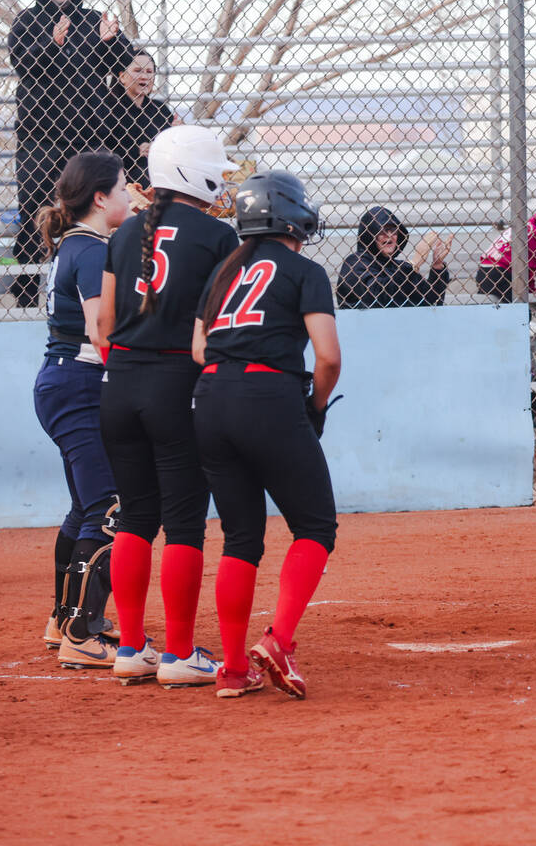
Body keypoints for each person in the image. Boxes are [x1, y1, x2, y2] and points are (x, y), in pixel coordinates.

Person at [97, 125, 238, 689]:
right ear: (193, 173)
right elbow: (223, 324)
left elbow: (104, 325)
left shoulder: (125, 233)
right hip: (177, 383)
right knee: (183, 522)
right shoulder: (217, 237)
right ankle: (180, 653)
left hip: (119, 383)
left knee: (134, 516)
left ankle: (131, 647)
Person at [192, 171, 341, 699]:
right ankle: (279, 641)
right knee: (315, 527)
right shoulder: (305, 269)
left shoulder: (221, 272)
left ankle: (234, 670)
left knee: (240, 538)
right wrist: (315, 407)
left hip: (209, 399)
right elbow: (327, 357)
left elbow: (198, 350)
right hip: (269, 397)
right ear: (292, 216)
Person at [32, 152, 131, 668]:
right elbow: (101, 329)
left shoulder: (79, 243)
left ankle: (63, 617)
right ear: (99, 197)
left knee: (85, 506)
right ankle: (81, 631)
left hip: (65, 382)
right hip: (80, 384)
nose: (129, 196)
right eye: (122, 189)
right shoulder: (91, 249)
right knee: (110, 508)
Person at [8, 0, 131, 307]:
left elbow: (122, 62)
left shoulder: (93, 20)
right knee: (34, 206)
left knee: (92, 207)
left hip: (89, 136)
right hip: (40, 136)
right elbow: (22, 63)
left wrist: (112, 40)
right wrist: (52, 44)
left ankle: (95, 286)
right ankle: (28, 293)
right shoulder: (27, 21)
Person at [335, 206, 451, 308]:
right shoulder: (355, 263)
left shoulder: (400, 267)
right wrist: (414, 263)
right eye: (382, 230)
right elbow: (378, 296)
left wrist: (437, 266)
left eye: (393, 230)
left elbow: (430, 301)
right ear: (370, 234)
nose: (389, 235)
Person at [97, 49, 180, 187]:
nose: (145, 76)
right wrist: (137, 151)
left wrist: (177, 133)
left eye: (149, 72)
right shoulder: (107, 108)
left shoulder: (160, 110)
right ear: (122, 76)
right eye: (138, 71)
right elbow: (99, 150)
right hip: (120, 179)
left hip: (160, 177)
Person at [475, 211, 536, 303]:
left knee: (491, 307)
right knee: (520, 308)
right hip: (501, 274)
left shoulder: (521, 228)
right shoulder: (534, 235)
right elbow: (529, 266)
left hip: (484, 271)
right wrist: (531, 289)